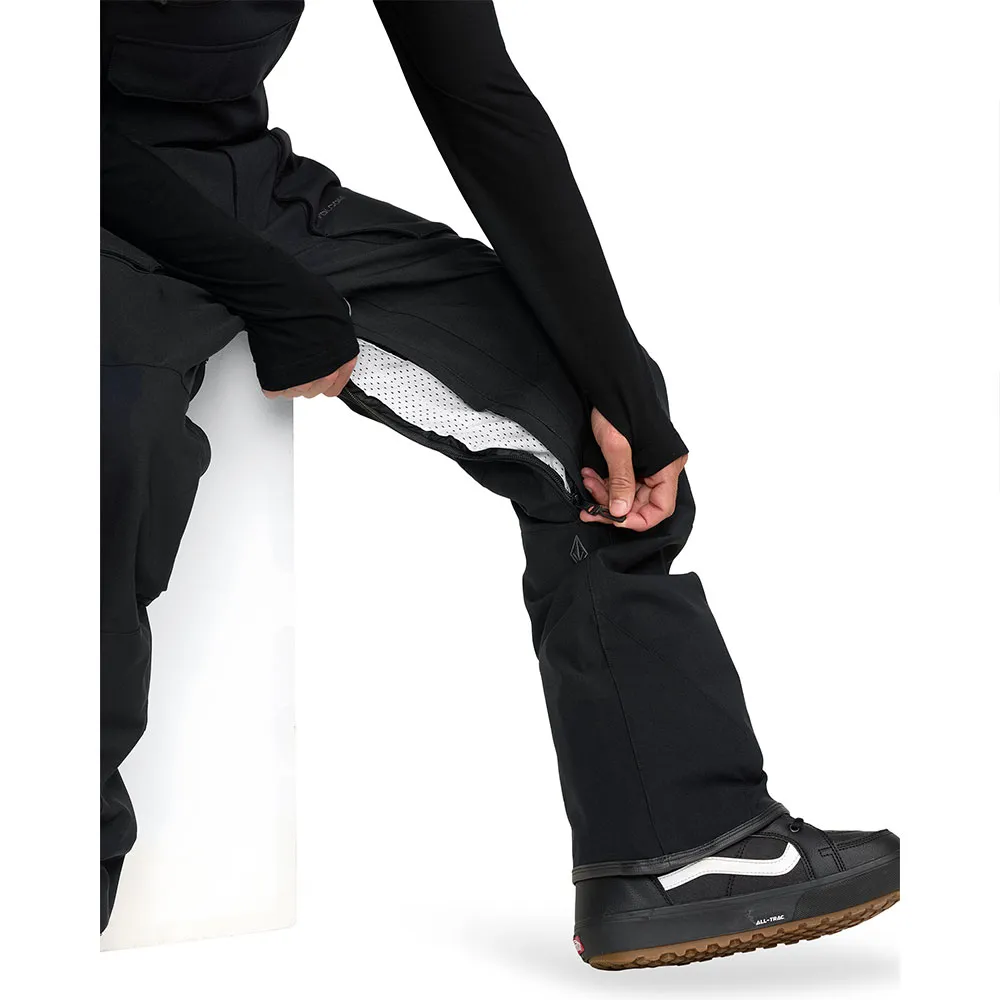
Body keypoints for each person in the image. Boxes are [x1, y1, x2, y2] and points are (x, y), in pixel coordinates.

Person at [100, 1, 899, 968]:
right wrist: (268, 290)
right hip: (69, 183)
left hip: (242, 190)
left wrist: (614, 371)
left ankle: (681, 850)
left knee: (590, 436)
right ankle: (49, 872)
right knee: (108, 452)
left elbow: (476, 93)